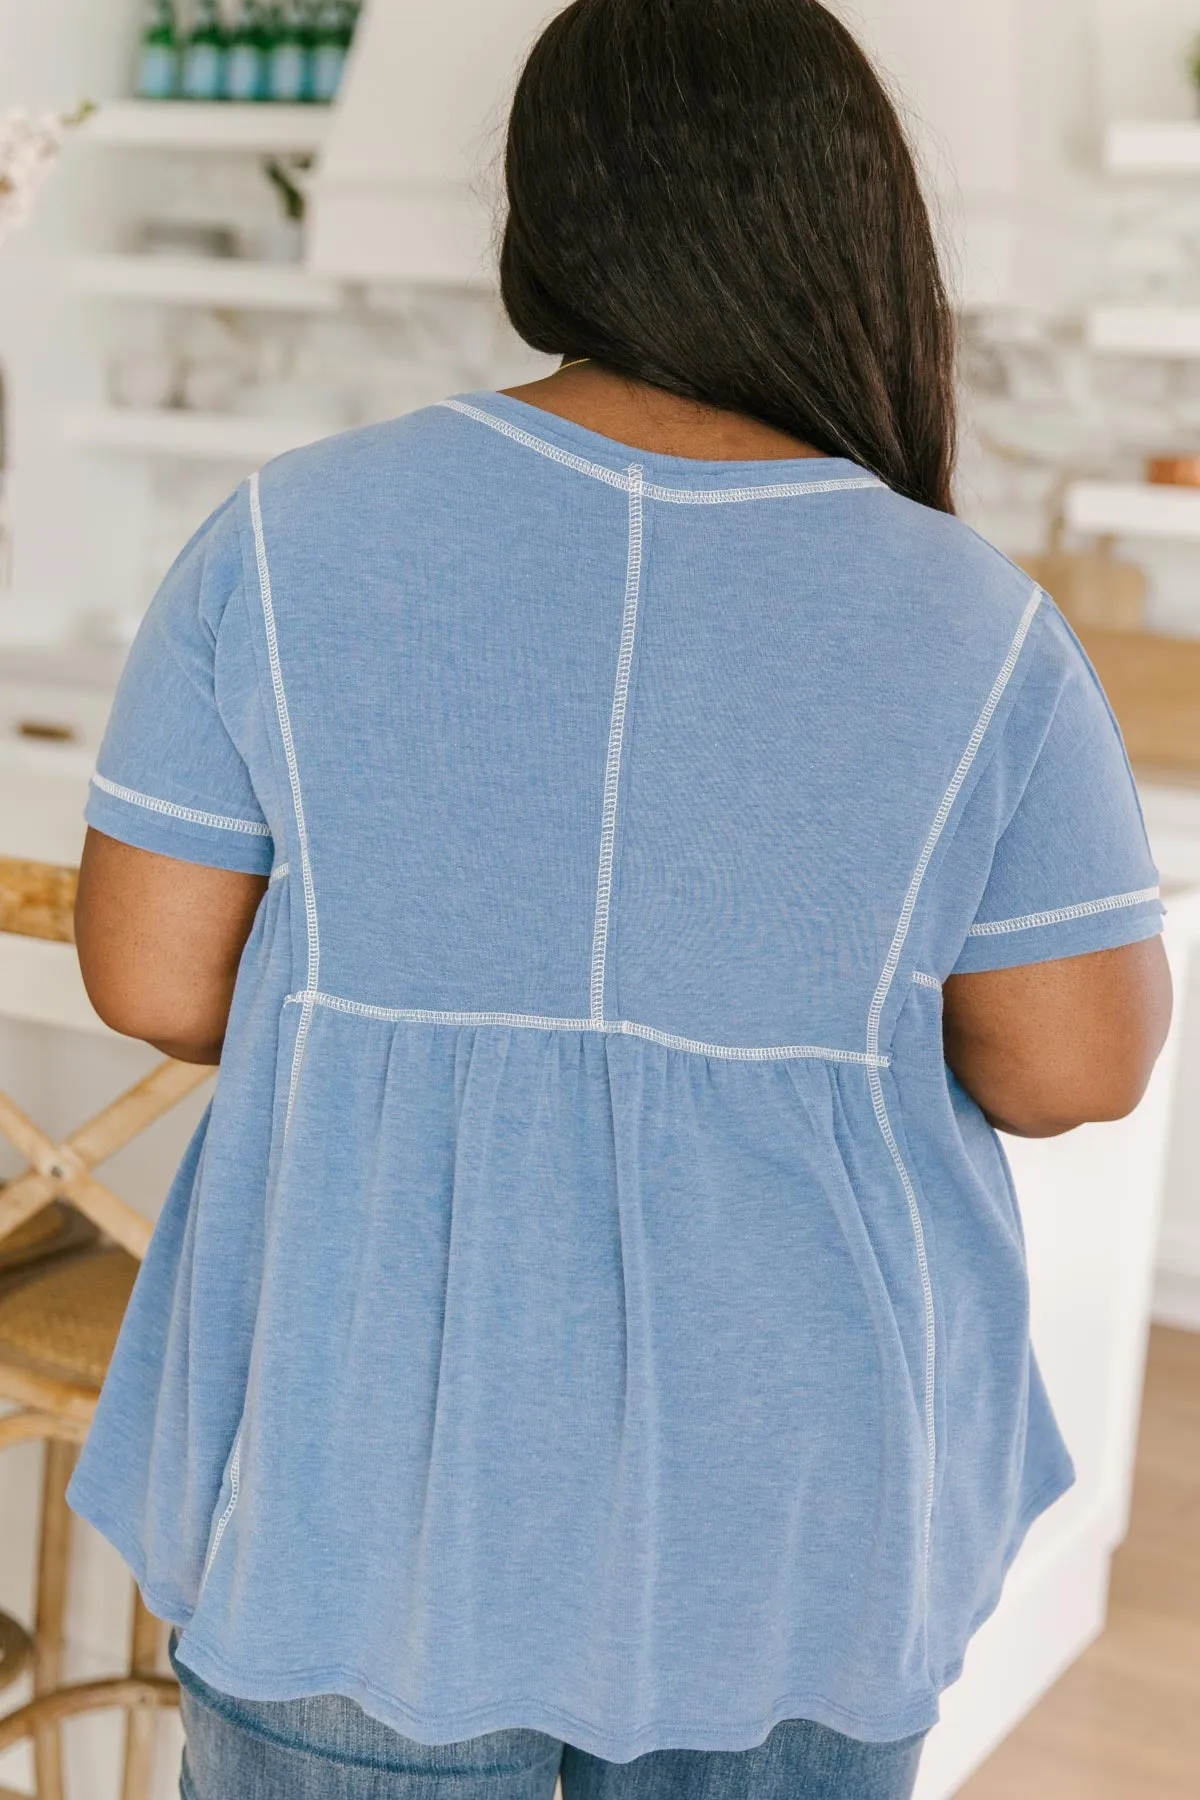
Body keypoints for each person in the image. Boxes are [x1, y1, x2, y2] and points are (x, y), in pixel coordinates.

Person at [68, 2, 1171, 1795]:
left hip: (374, 1481)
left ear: (544, 218)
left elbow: (151, 977)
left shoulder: (289, 536)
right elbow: (1072, 1070)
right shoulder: (978, 625)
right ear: (854, 226)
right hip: (797, 1509)